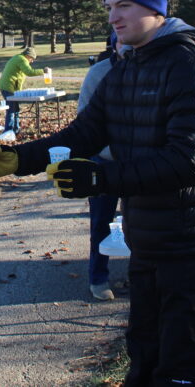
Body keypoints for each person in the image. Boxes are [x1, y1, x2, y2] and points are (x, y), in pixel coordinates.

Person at [0, 0, 195, 386]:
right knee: (144, 358)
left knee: (183, 368)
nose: (114, 17)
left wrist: (101, 177)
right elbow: (82, 134)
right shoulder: (124, 70)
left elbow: (188, 160)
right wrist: (19, 159)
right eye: (110, 6)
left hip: (193, 241)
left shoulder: (189, 66)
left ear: (155, 8)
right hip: (147, 238)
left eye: (125, 5)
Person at [78, 42, 119, 301]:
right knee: (101, 222)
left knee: (146, 222)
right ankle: (98, 278)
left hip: (145, 162)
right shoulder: (98, 73)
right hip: (103, 160)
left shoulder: (155, 68)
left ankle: (145, 275)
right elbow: (84, 121)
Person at [0, 46, 44, 137]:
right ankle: (8, 131)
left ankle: (16, 130)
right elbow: (29, 72)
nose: (32, 61)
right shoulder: (22, 60)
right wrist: (43, 71)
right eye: (32, 58)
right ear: (28, 56)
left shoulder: (18, 57)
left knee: (16, 109)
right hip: (8, 87)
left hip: (10, 87)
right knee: (11, 109)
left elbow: (20, 76)